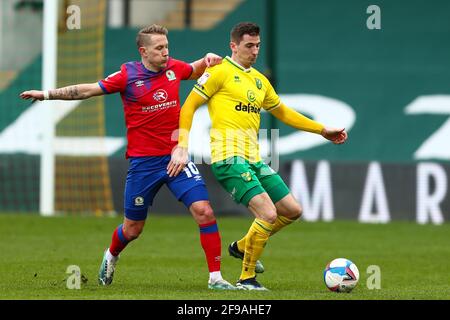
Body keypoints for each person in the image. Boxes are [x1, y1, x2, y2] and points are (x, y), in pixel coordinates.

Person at [20, 24, 236, 290]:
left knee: (204, 212)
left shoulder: (174, 68)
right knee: (133, 229)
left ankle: (216, 278)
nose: (165, 52)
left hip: (175, 158)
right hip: (143, 164)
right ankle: (111, 255)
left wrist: (208, 60)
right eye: (159, 48)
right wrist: (46, 95)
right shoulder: (127, 75)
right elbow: (87, 90)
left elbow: (195, 68)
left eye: (167, 46)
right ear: (143, 51)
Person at [167, 22, 348, 291]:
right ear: (234, 46)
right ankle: (246, 279)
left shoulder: (260, 80)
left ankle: (242, 247)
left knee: (292, 211)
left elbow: (284, 113)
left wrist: (321, 130)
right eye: (249, 46)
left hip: (254, 159)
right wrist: (182, 144)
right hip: (228, 158)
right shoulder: (218, 71)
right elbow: (189, 106)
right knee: (267, 212)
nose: (254, 51)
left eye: (258, 45)